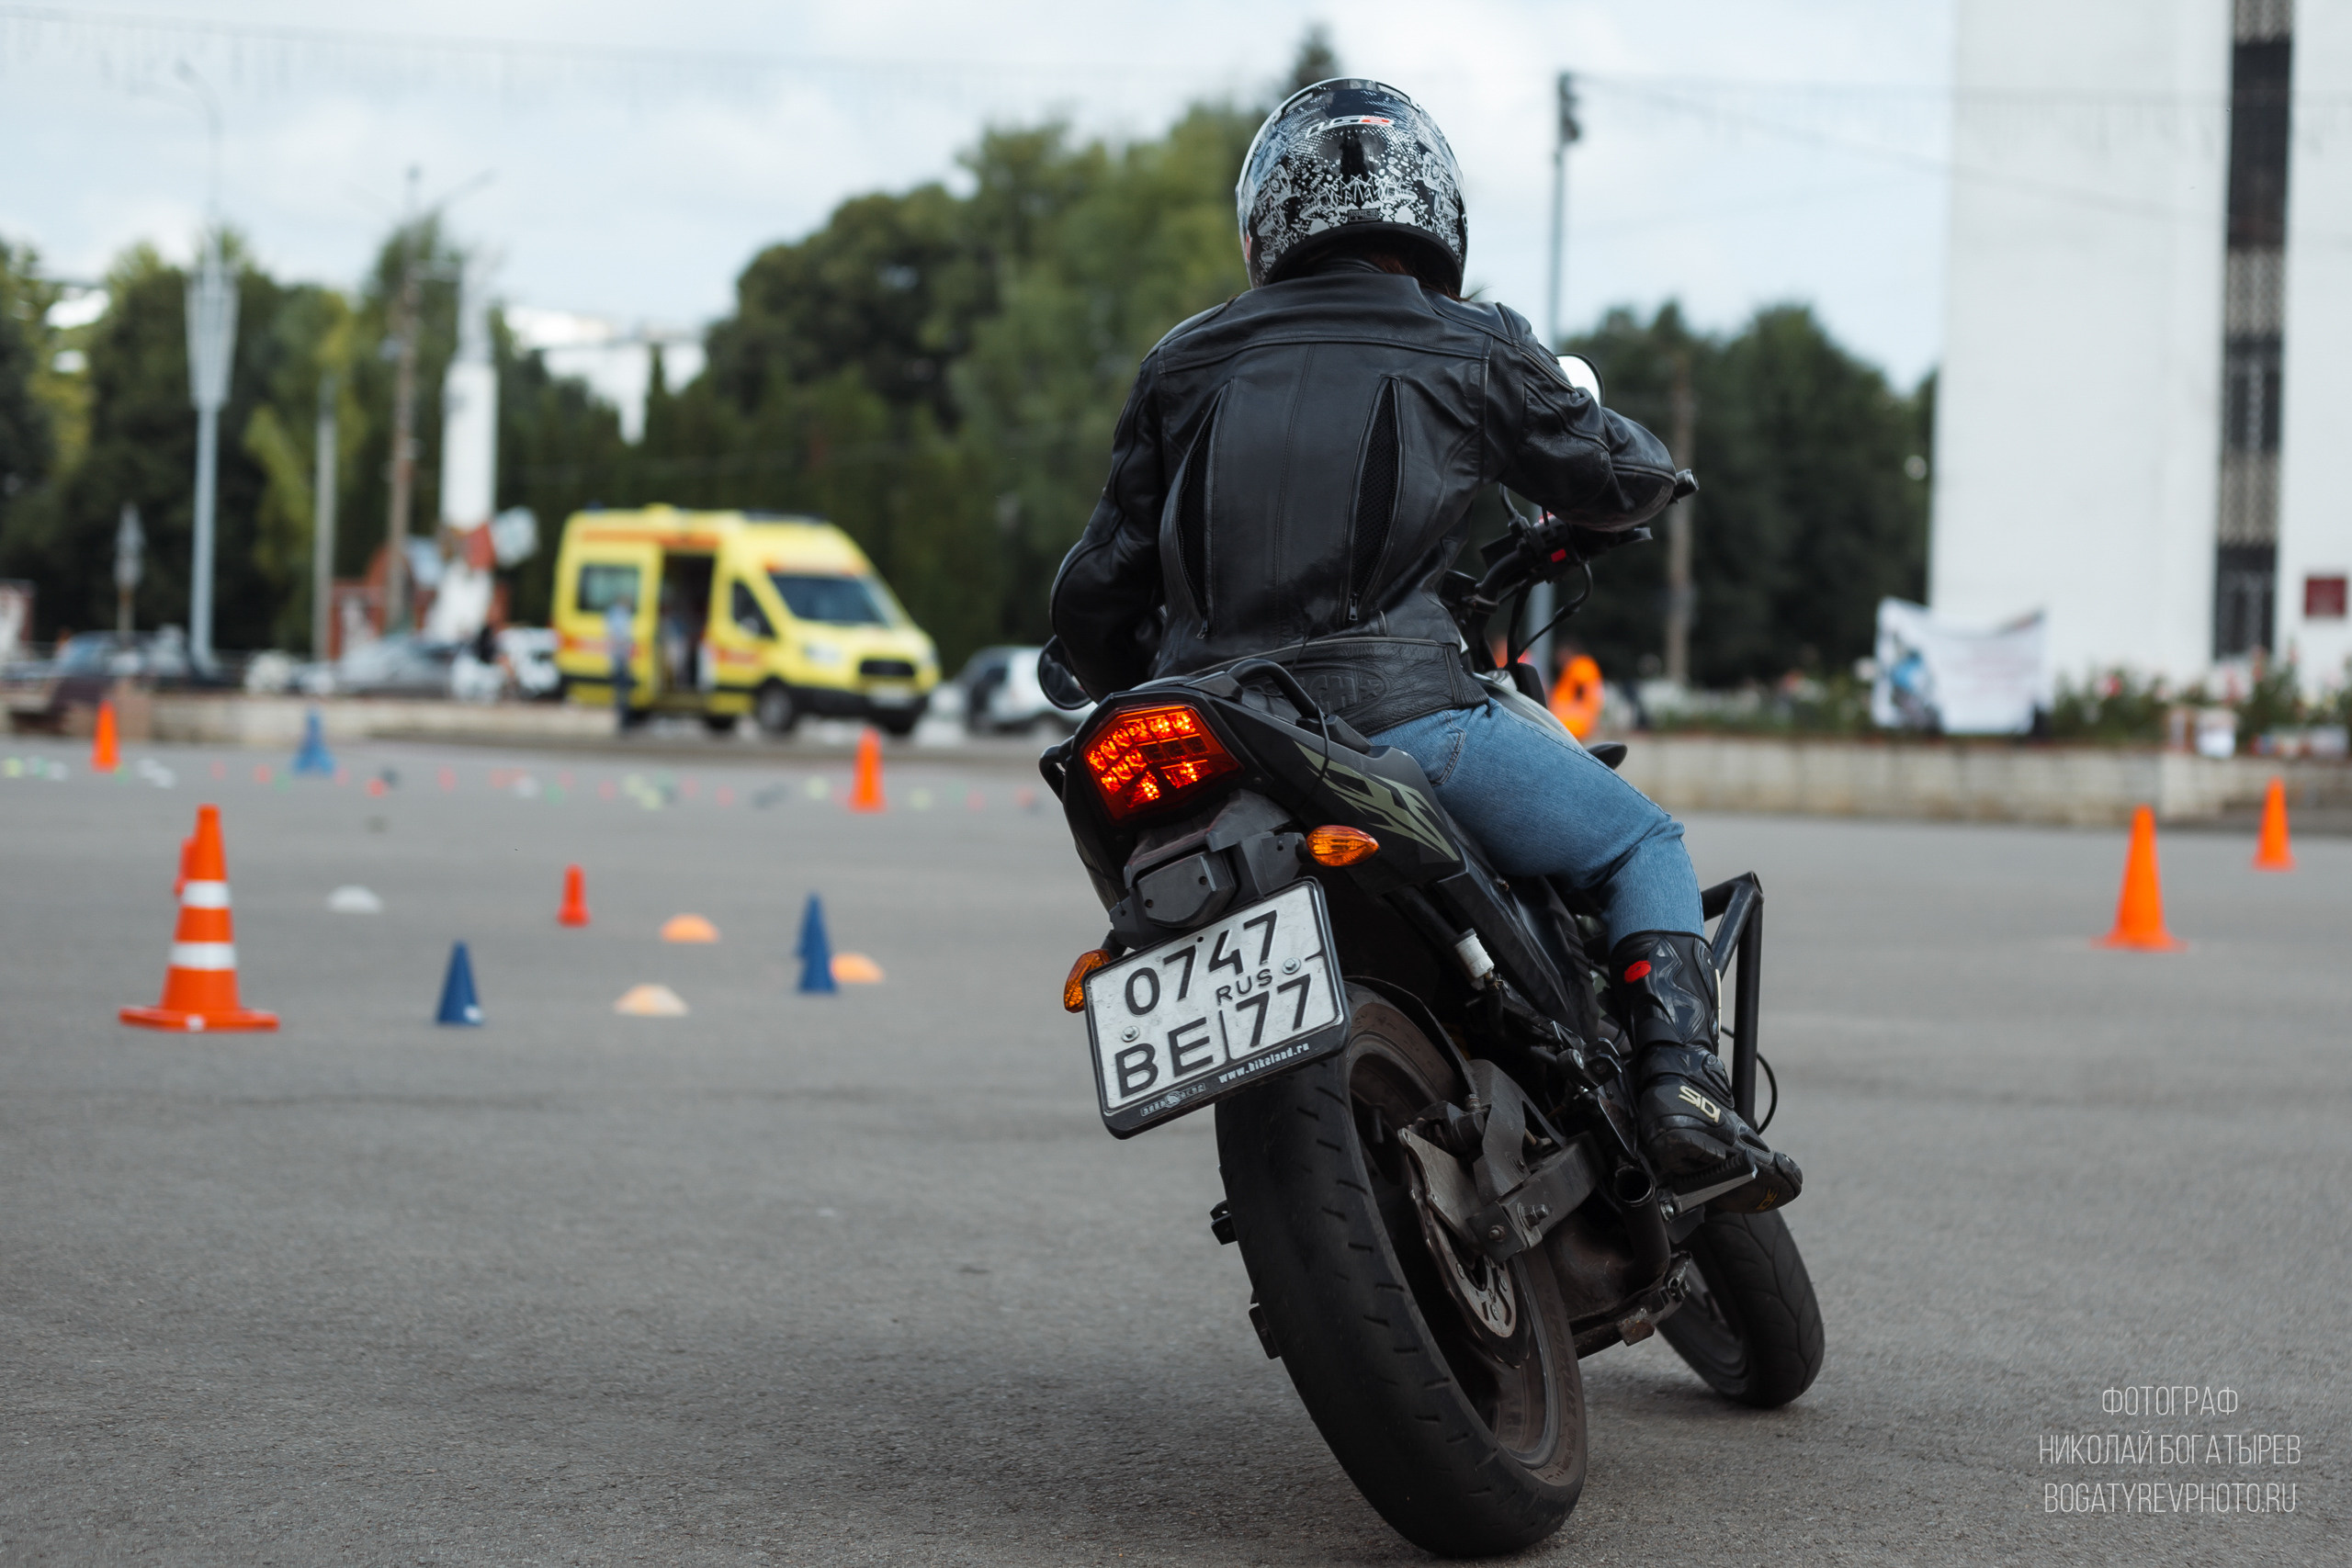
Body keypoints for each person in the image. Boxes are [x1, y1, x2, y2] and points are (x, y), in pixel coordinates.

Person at [1044, 78, 1797, 1212]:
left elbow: (1097, 587)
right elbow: (1621, 470)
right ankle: (1679, 1094)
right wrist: (1619, 488)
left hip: (1214, 726)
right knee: (1639, 842)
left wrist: (1117, 672)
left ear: (1265, 225)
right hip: (1407, 719)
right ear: (1431, 214)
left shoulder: (1182, 363)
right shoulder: (1470, 343)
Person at [604, 590, 637, 734]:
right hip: (620, 658)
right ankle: (622, 721)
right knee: (622, 690)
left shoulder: (614, 614)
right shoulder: (619, 615)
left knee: (622, 689)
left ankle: (623, 720)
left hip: (619, 657)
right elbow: (620, 637)